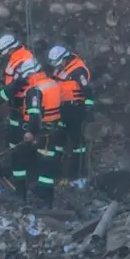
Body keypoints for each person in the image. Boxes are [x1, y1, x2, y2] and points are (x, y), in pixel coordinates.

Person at [2, 58, 61, 208]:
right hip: (53, 128)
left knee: (19, 159)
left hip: (39, 131)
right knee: (47, 165)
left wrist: (30, 132)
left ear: (29, 74)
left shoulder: (34, 90)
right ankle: (47, 201)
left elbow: (35, 115)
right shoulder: (52, 83)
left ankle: (20, 194)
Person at [47, 45, 94, 185]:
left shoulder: (78, 70)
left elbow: (87, 90)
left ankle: (79, 174)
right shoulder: (61, 69)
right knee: (58, 141)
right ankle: (56, 172)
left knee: (77, 142)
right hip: (62, 109)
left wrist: (87, 107)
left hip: (75, 109)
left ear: (65, 59)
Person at [0, 34, 34, 165]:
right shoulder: (17, 57)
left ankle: (21, 162)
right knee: (13, 132)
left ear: (10, 49)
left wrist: (0, 97)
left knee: (20, 134)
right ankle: (13, 158)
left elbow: (17, 84)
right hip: (16, 102)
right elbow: (10, 80)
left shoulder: (24, 59)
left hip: (23, 102)